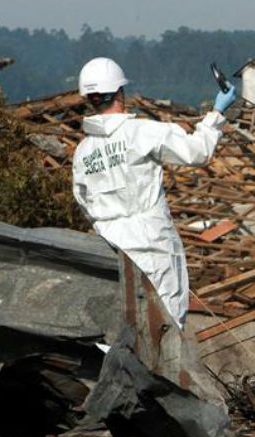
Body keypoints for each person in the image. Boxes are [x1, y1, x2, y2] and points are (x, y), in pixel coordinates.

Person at [72, 57, 237, 327]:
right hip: (152, 246)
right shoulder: (143, 132)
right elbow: (198, 151)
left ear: (89, 99)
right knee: (164, 327)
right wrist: (217, 114)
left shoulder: (83, 152)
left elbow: (84, 203)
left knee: (119, 329)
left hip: (109, 251)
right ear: (120, 93)